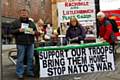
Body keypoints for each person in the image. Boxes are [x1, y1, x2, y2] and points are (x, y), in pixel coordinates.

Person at [11, 9, 36, 79]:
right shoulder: (15, 23)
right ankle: (19, 73)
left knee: (30, 58)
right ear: (20, 14)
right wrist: (18, 30)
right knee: (20, 59)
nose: (24, 14)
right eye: (22, 13)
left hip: (30, 43)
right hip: (21, 43)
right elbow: (11, 31)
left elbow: (36, 31)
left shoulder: (31, 22)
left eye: (25, 13)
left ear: (28, 14)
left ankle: (29, 72)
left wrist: (34, 32)